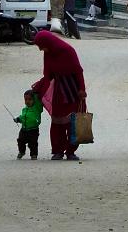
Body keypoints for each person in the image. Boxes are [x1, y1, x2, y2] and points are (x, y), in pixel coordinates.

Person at [32, 30, 87, 161]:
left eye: (41, 45)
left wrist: (82, 90)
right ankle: (58, 151)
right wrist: (40, 88)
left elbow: (78, 71)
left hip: (73, 90)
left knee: (73, 122)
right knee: (57, 122)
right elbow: (48, 74)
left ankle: (71, 151)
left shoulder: (68, 51)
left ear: (47, 43)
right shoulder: (48, 53)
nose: (40, 49)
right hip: (57, 91)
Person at [14, 89, 43, 160]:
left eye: (30, 99)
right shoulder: (24, 109)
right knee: (20, 141)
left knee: (33, 143)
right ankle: (22, 152)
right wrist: (18, 119)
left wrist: (35, 92)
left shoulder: (37, 108)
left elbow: (38, 99)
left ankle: (34, 154)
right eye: (26, 99)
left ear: (34, 100)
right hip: (24, 129)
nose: (27, 101)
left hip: (33, 130)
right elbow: (22, 117)